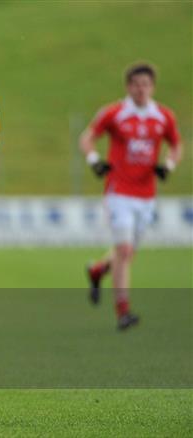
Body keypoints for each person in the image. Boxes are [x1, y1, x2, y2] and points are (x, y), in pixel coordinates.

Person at [80, 63, 182, 330]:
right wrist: (94, 161)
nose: (141, 89)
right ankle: (123, 311)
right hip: (119, 192)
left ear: (152, 87)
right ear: (128, 86)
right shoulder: (115, 113)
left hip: (146, 195)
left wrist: (168, 166)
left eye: (145, 84)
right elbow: (87, 137)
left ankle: (97, 270)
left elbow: (176, 145)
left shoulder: (163, 116)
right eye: (136, 84)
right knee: (124, 250)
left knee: (127, 254)